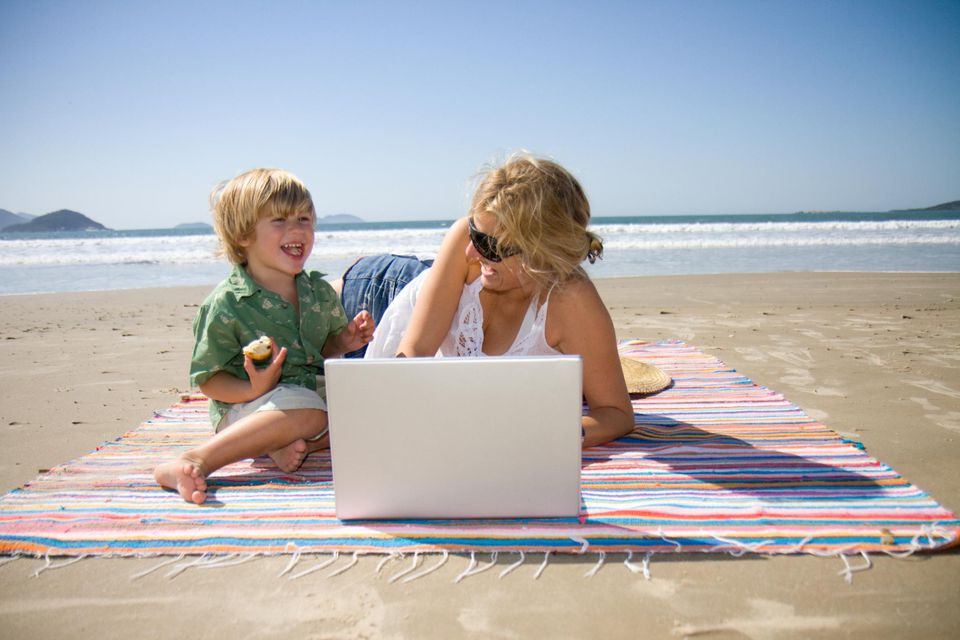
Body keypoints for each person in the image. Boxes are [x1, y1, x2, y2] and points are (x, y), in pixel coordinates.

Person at [338, 154, 634, 447]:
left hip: (440, 292)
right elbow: (414, 351)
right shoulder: (464, 245)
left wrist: (556, 435)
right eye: (473, 232)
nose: (470, 252)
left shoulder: (572, 301)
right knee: (308, 316)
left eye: (487, 244)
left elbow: (616, 413)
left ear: (540, 251)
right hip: (382, 289)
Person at [154, 168, 374, 504]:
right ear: (243, 234)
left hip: (306, 396)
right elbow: (209, 378)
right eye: (280, 220)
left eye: (303, 218)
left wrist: (343, 343)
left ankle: (281, 443)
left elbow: (323, 349)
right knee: (312, 413)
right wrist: (252, 388)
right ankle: (194, 460)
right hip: (245, 408)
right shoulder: (227, 303)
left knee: (374, 406)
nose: (297, 229)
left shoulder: (318, 292)